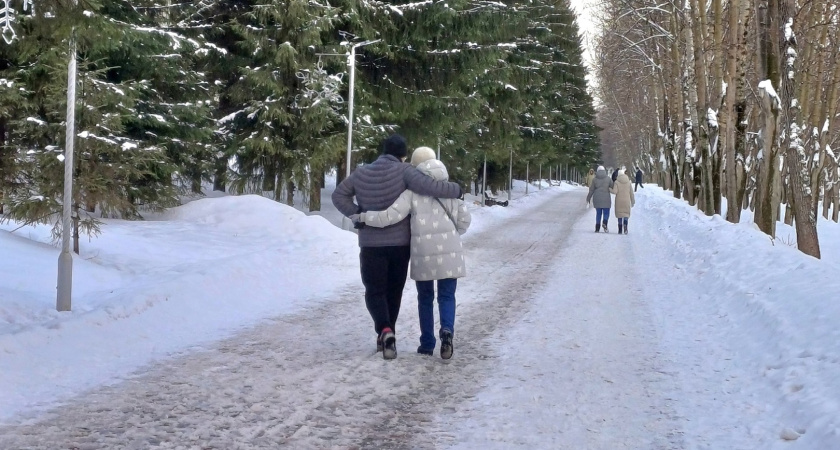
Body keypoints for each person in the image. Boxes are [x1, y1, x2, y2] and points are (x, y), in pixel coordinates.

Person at [332, 135, 462, 360]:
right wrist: (457, 190)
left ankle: (385, 330)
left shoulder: (361, 173)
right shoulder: (406, 171)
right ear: (403, 156)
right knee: (394, 290)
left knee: (374, 290)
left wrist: (357, 215)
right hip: (399, 244)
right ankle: (389, 329)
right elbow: (431, 186)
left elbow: (338, 195)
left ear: (383, 151)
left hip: (370, 243)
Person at [586, 165, 614, 232]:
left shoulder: (594, 179)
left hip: (597, 198)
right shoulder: (608, 179)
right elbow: (612, 186)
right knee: (606, 213)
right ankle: (605, 222)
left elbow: (591, 190)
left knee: (598, 213)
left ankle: (597, 227)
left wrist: (588, 198)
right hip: (606, 198)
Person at [612, 167, 635, 234]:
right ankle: (625, 225)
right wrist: (632, 201)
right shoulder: (628, 182)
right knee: (626, 214)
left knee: (620, 214)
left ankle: (619, 229)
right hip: (627, 200)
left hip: (619, 201)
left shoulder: (616, 182)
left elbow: (615, 191)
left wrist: (610, 189)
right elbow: (631, 193)